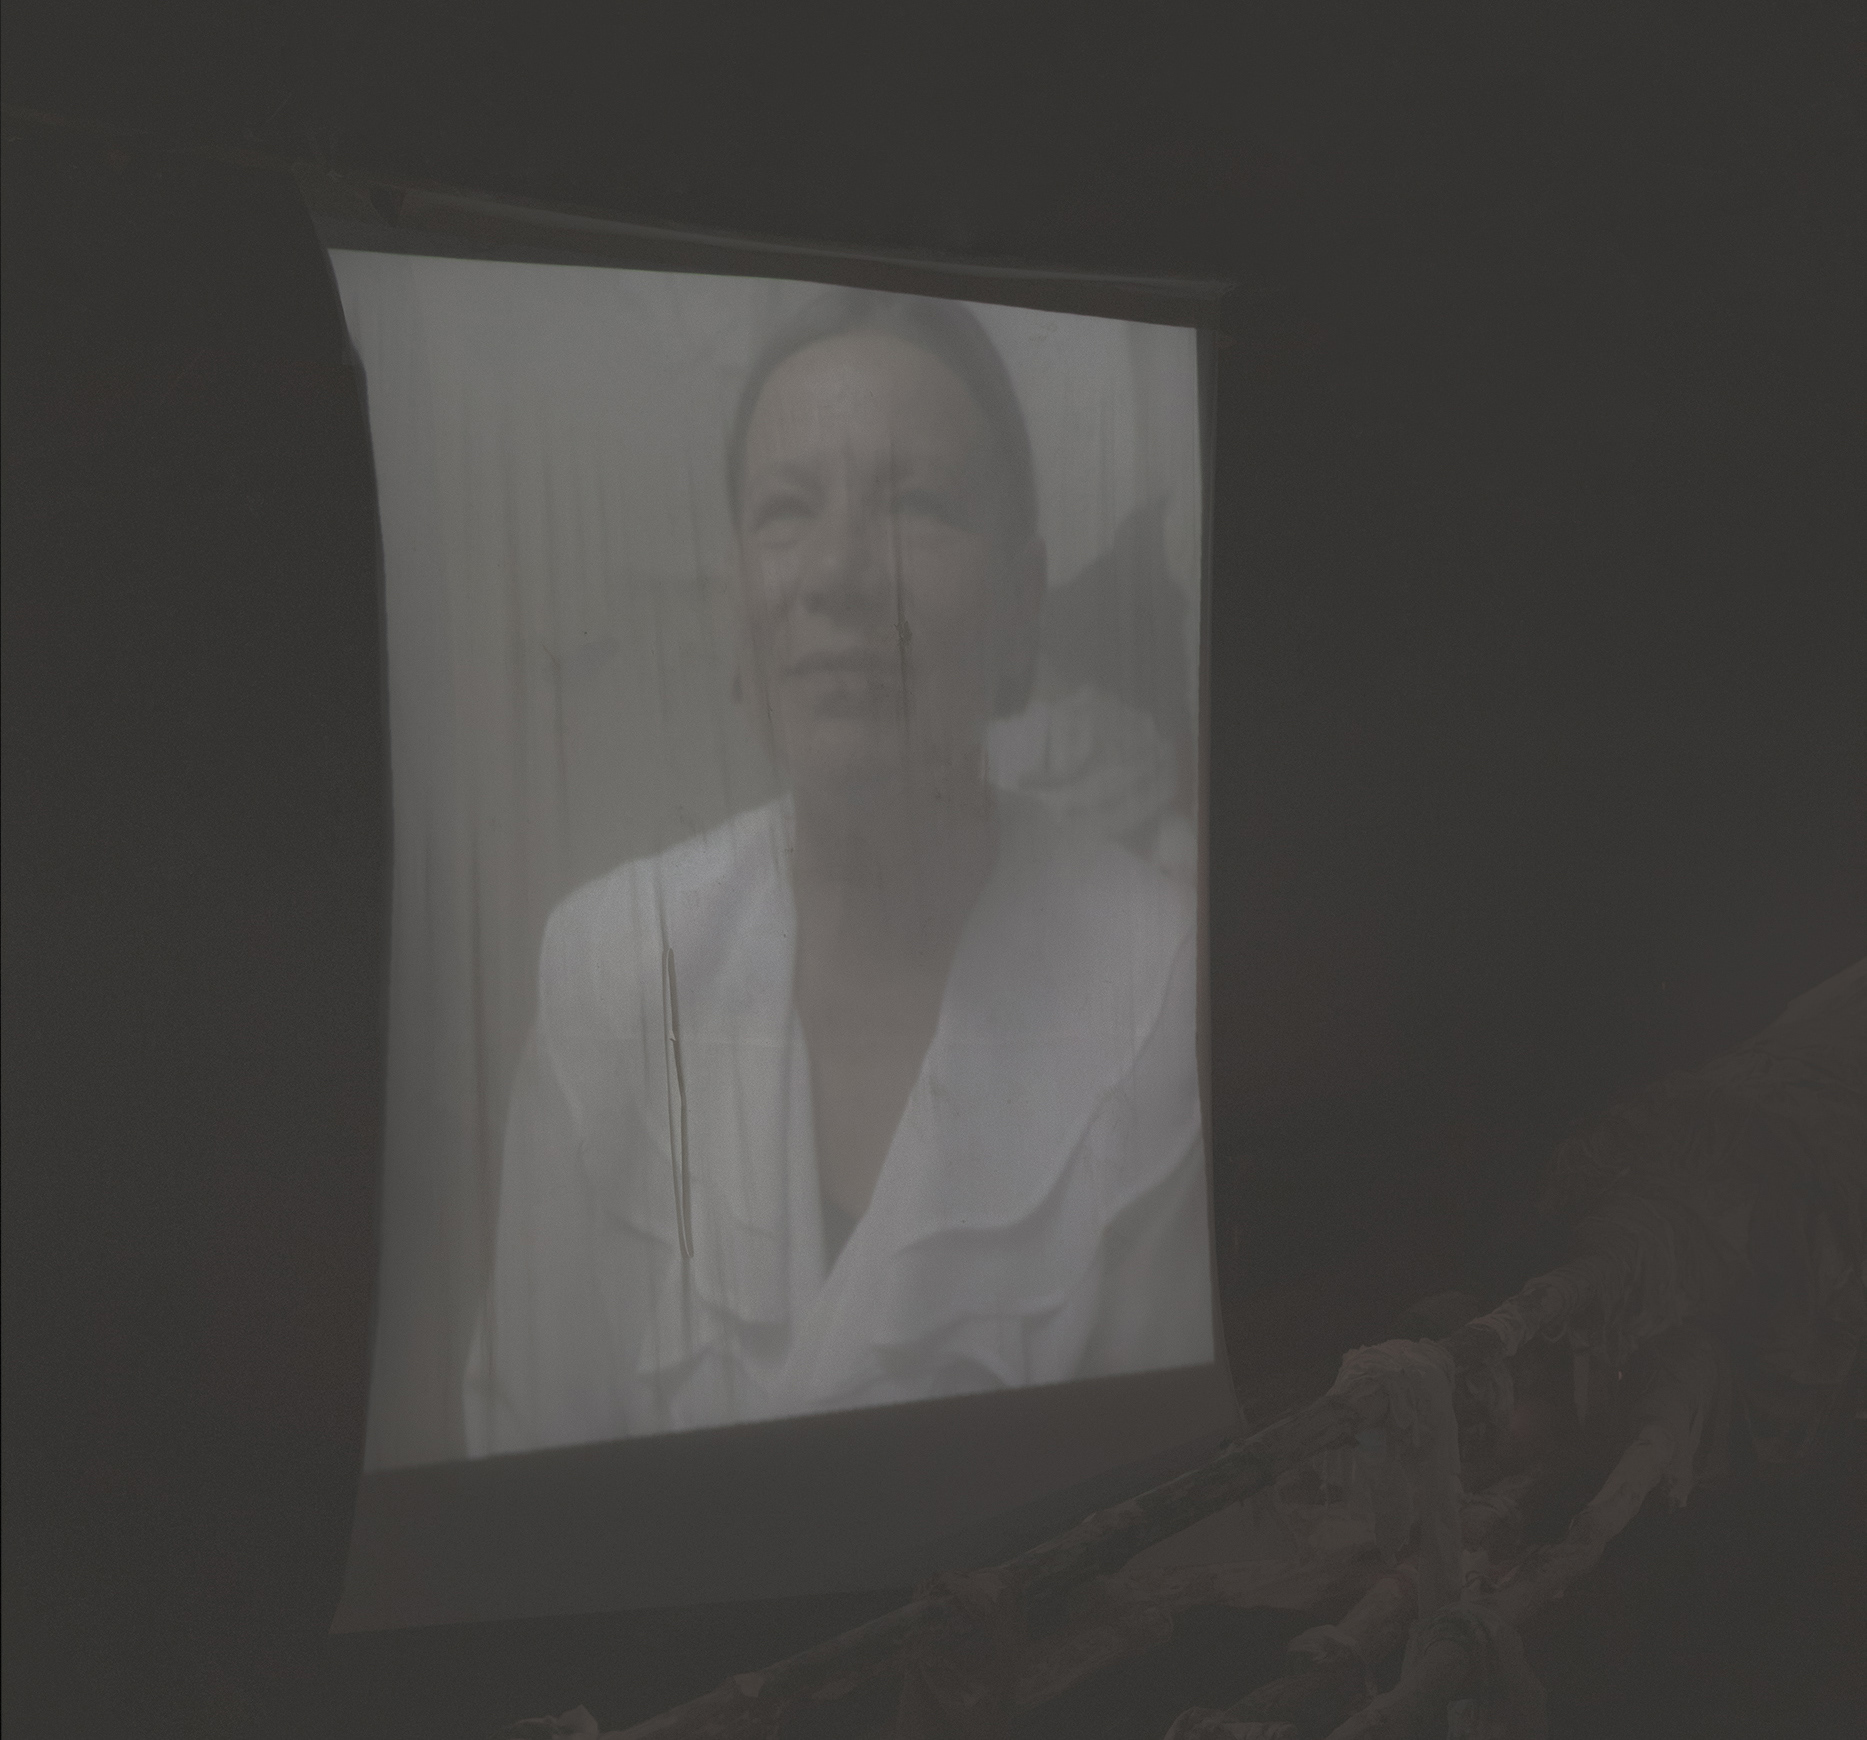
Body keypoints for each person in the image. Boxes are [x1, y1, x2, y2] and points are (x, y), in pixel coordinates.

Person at [464, 289, 1211, 1453]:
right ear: (737, 603)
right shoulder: (606, 973)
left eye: (916, 505)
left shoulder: (1155, 986)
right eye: (785, 511)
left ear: (1020, 605)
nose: (839, 574)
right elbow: (527, 1462)